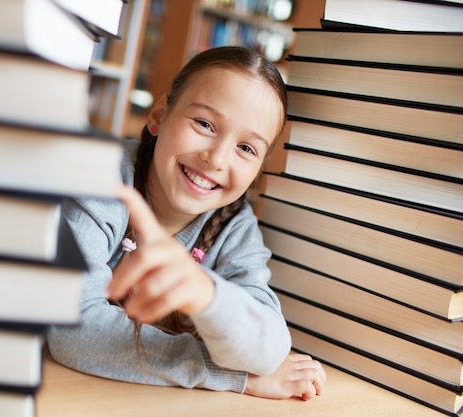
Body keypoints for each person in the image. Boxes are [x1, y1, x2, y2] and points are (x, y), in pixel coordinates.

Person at [47, 46, 326, 400]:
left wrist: (207, 294)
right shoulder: (102, 180)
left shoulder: (233, 227)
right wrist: (221, 373)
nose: (216, 158)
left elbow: (269, 349)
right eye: (205, 124)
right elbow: (70, 327)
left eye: (246, 148)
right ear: (160, 115)